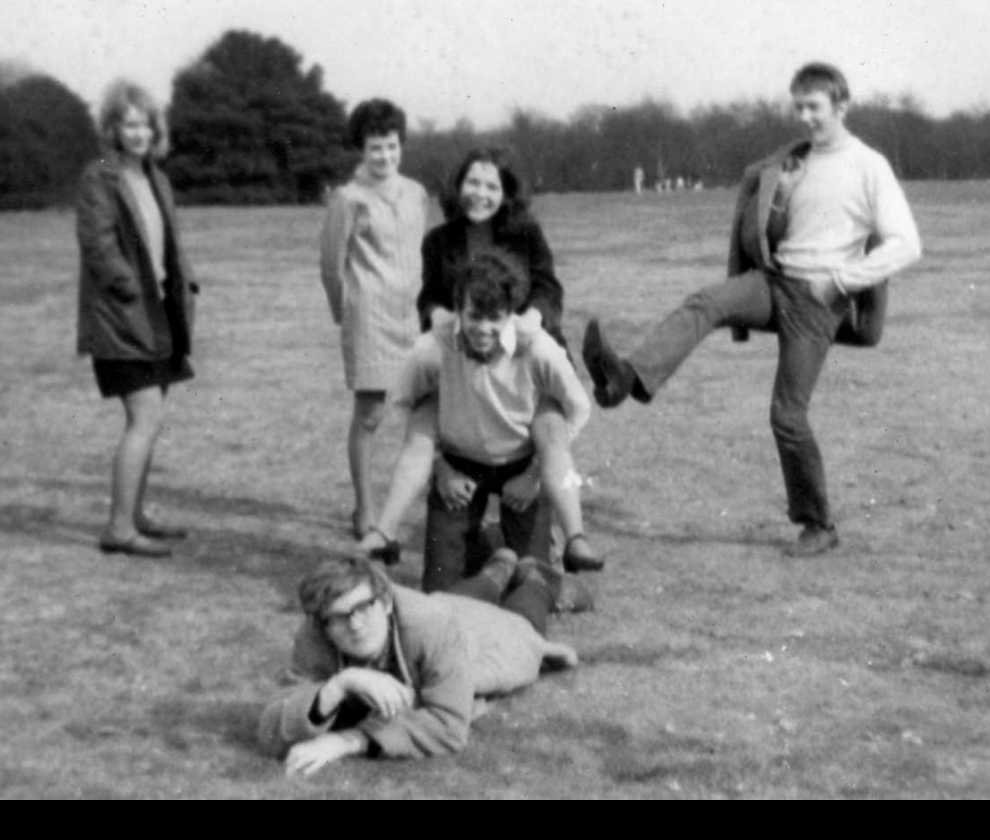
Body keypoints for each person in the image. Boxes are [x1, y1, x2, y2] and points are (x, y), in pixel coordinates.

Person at [582, 62, 922, 558]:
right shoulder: (794, 159)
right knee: (707, 302)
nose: (805, 117)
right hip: (773, 281)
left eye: (815, 107)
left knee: (787, 415)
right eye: (798, 107)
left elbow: (906, 243)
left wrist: (844, 281)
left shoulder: (869, 165)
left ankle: (818, 525)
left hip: (816, 299)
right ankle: (626, 379)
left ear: (842, 106)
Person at [361, 148, 602, 573]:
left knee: (548, 431)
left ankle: (574, 536)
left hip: (521, 351)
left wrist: (532, 318)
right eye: (473, 182)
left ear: (505, 193)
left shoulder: (526, 234)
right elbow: (431, 294)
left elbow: (548, 286)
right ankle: (385, 530)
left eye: (492, 186)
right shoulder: (439, 241)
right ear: (458, 186)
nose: (481, 193)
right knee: (426, 418)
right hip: (459, 347)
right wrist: (436, 315)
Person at [257, 552, 578, 774]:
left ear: (384, 601)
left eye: (363, 608)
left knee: (523, 621)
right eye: (339, 617)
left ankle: (536, 578)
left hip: (488, 640)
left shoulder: (428, 622)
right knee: (448, 599)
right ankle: (497, 570)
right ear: (322, 622)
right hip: (444, 609)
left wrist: (348, 740)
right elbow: (272, 728)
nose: (354, 625)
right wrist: (341, 684)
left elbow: (449, 725)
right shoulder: (315, 633)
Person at [76, 80, 198, 558]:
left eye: (146, 123)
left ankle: (135, 514)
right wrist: (129, 288)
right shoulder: (100, 173)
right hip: (123, 319)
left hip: (161, 317)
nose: (139, 131)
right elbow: (98, 245)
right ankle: (119, 528)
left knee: (152, 417)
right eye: (129, 123)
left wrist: (183, 286)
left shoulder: (155, 175)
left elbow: (168, 243)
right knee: (144, 416)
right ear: (112, 128)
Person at [319, 99, 429, 540]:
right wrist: (344, 314)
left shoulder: (417, 193)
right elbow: (331, 266)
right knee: (370, 415)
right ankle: (364, 509)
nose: (384, 157)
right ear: (360, 151)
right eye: (374, 149)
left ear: (401, 145)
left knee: (426, 414)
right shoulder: (347, 199)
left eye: (390, 146)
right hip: (370, 319)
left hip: (415, 318)